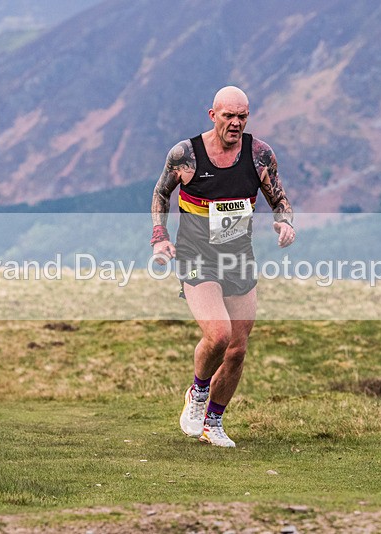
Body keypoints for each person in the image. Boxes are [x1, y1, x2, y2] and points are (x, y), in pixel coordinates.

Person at [150, 86, 295, 447]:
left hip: (238, 256)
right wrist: (159, 236)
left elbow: (279, 198)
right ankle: (197, 394)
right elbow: (161, 193)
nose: (235, 123)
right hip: (196, 254)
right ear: (212, 115)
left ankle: (212, 421)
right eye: (228, 116)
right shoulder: (185, 154)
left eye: (242, 116)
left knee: (238, 349)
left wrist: (285, 221)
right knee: (219, 334)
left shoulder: (260, 155)